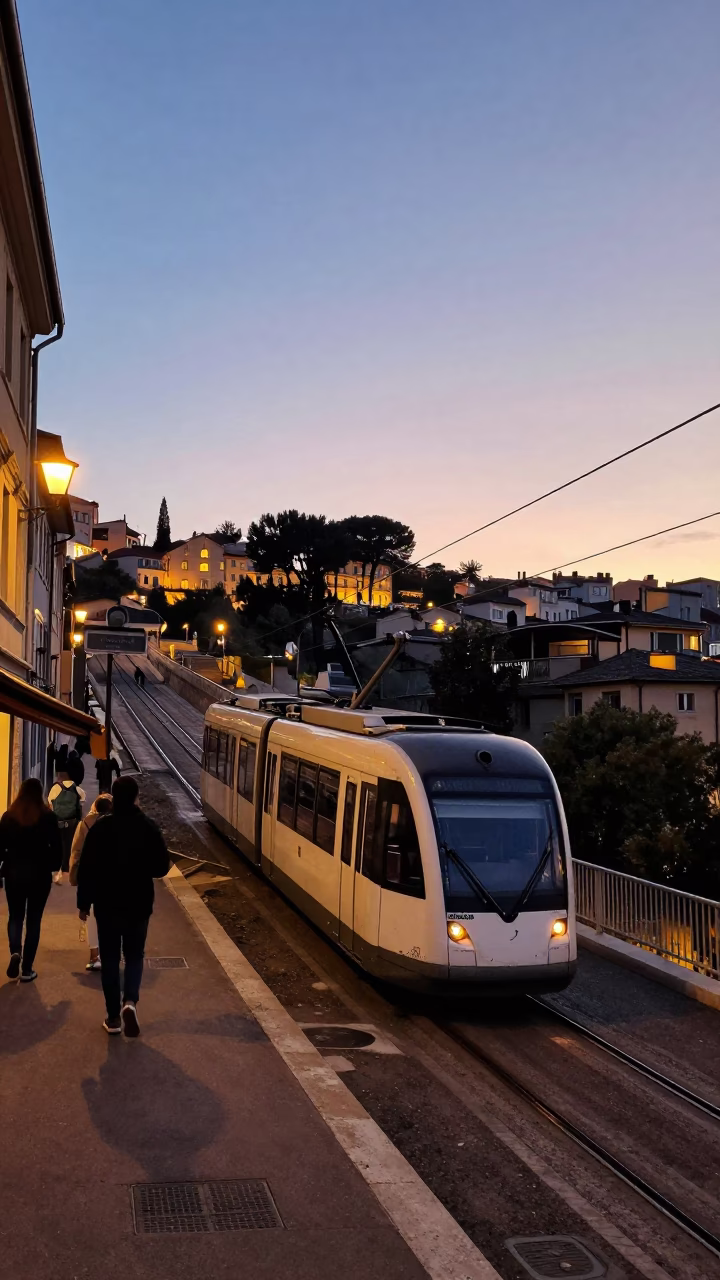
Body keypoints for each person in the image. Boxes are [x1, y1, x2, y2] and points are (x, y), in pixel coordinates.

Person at [77, 776, 169, 1036]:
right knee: (135, 955)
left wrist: (83, 904)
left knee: (109, 959)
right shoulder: (147, 827)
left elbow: (87, 869)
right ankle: (130, 1001)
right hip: (138, 903)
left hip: (107, 905)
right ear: (136, 797)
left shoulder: (101, 828)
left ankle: (113, 1018)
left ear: (114, 798)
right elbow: (161, 867)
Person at [0, 778, 62, 981]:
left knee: (15, 916)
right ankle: (27, 969)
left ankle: (15, 951)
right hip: (39, 875)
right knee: (34, 920)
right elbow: (57, 848)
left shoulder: (9, 817)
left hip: (13, 873)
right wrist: (52, 866)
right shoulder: (48, 817)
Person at [69, 792, 113, 970]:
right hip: (113, 879)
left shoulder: (86, 823)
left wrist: (73, 875)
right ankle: (110, 954)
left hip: (92, 877)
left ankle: (95, 956)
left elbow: (76, 851)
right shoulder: (117, 823)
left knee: (92, 917)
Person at [48, 770, 85, 884]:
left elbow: (50, 803)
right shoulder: (77, 789)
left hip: (58, 822)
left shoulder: (55, 788)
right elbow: (82, 804)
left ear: (60, 778)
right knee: (71, 844)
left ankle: (59, 870)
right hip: (73, 821)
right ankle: (68, 868)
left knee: (59, 844)